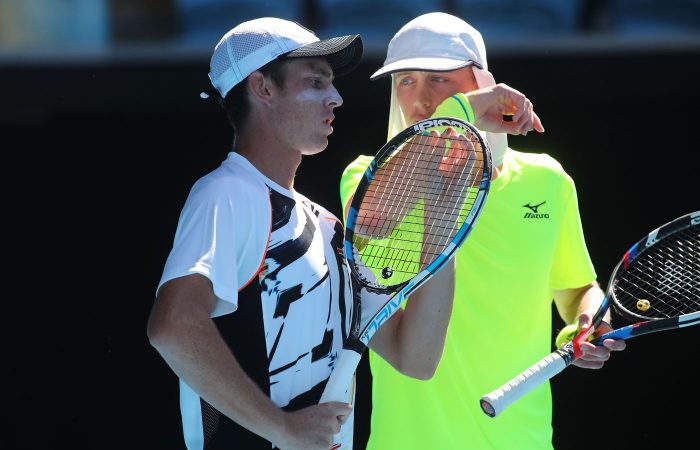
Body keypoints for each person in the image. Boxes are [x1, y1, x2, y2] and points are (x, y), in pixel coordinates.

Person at [146, 16, 538, 450]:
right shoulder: (227, 194)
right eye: (316, 83)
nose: (335, 98)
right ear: (263, 88)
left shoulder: (329, 228)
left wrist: (441, 224)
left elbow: (416, 357)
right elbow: (173, 326)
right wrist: (282, 427)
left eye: (331, 85)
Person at [339, 12, 627, 450]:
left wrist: (590, 318)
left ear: (481, 83)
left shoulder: (547, 181)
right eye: (406, 81)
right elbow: (370, 221)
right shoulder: (366, 176)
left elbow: (575, 287)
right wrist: (460, 111)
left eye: (439, 80)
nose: (420, 98)